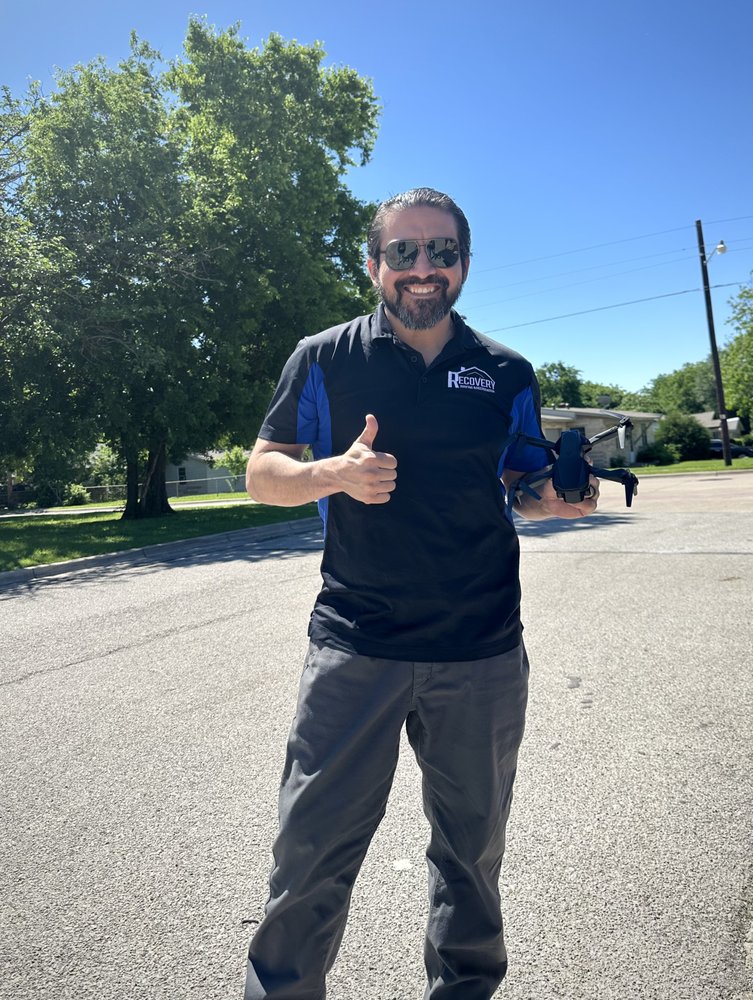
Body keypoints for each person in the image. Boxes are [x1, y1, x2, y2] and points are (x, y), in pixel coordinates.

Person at [243, 187, 599, 1000]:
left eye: (440, 251)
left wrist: (554, 499)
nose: (421, 268)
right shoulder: (325, 357)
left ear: (464, 264)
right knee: (309, 856)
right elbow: (263, 471)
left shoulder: (504, 370)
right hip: (354, 645)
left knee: (470, 858)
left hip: (479, 650)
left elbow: (518, 477)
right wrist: (330, 474)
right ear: (373, 264)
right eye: (401, 252)